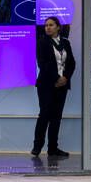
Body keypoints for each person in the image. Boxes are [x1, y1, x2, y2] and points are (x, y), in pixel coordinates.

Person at [33, 16, 76, 158]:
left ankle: (53, 148)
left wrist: (65, 78)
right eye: (46, 25)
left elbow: (71, 63)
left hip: (62, 85)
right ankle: (37, 147)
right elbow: (42, 64)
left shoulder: (65, 43)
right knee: (44, 115)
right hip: (46, 84)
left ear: (58, 27)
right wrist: (57, 78)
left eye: (51, 25)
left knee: (56, 117)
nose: (47, 28)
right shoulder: (42, 42)